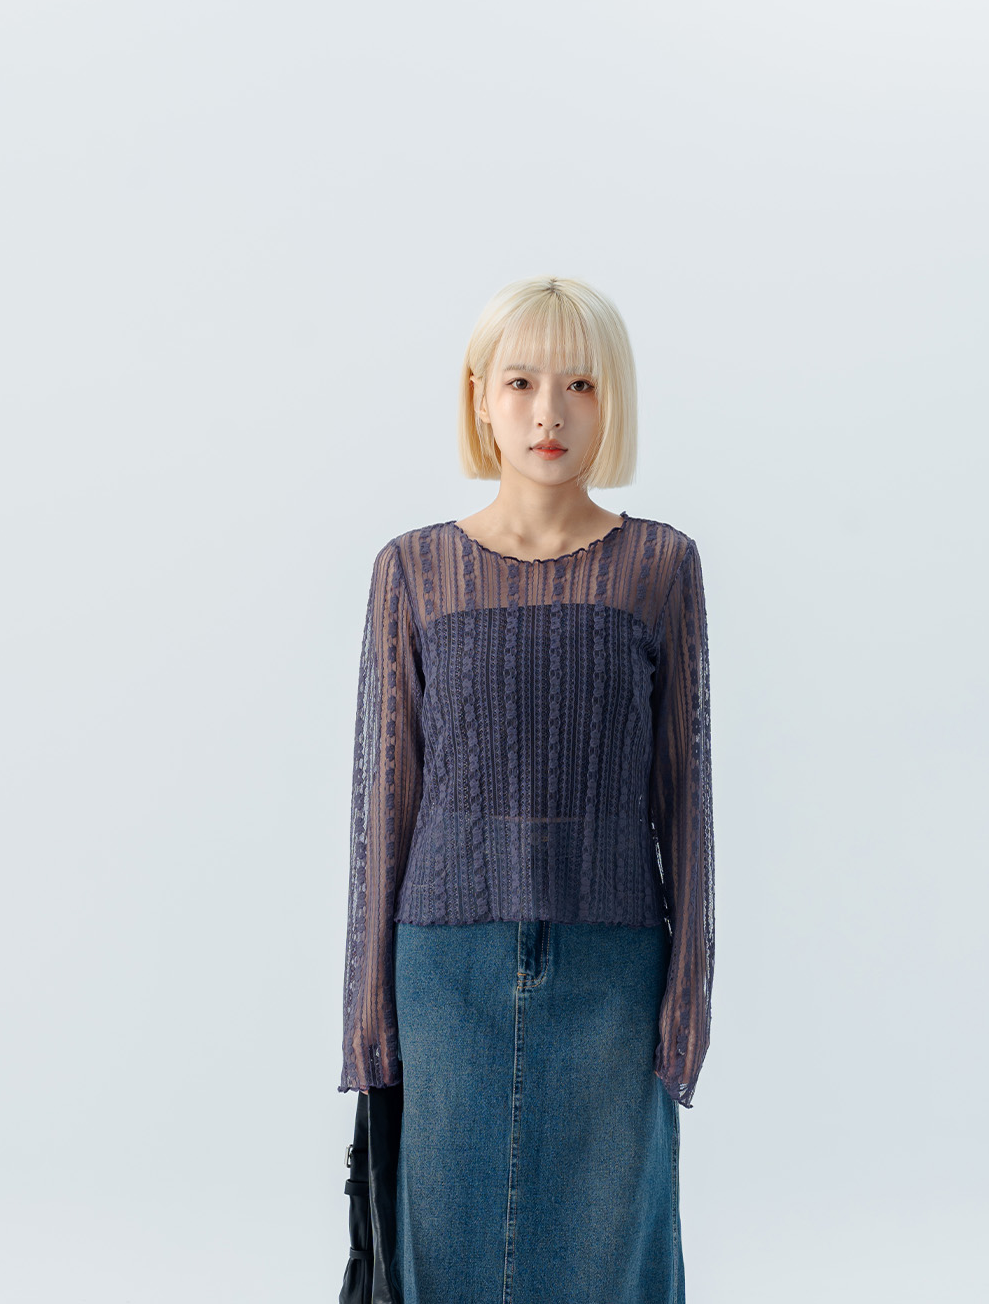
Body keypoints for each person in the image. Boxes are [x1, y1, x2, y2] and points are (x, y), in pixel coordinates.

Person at [339, 274, 715, 1303]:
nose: (551, 412)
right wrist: (369, 1021)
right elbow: (383, 808)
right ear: (479, 397)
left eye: (581, 384)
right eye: (521, 382)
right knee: (445, 1257)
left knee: (612, 1260)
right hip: (443, 976)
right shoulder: (412, 572)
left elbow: (686, 802)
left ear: (612, 398)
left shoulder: (659, 567)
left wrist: (687, 997)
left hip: (614, 972)